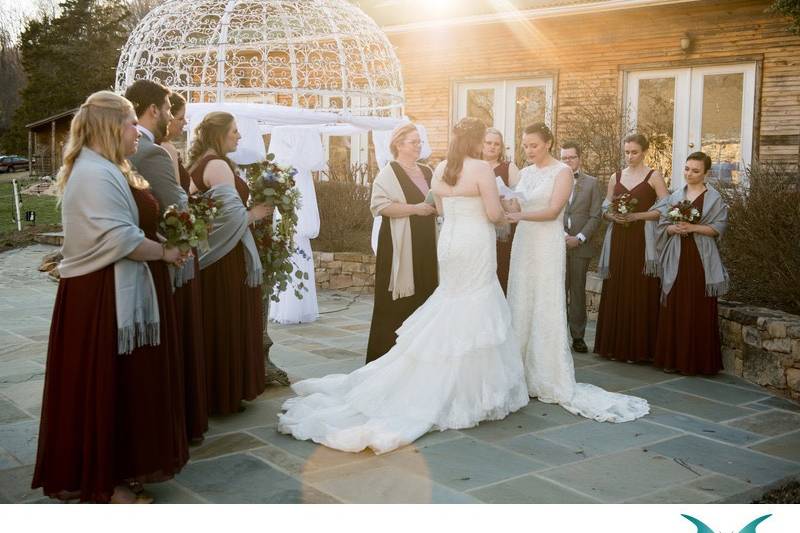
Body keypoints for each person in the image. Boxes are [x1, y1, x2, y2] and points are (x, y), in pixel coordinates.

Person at [278, 117, 529, 454]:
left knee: (452, 301)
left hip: (451, 244)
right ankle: (469, 388)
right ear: (476, 141)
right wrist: (511, 212)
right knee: (477, 303)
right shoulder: (481, 170)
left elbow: (439, 208)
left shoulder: (440, 170)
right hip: (474, 243)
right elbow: (493, 213)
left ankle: (444, 375)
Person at [32, 91, 189, 503]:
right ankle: (105, 479)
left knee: (128, 386)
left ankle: (119, 466)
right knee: (108, 385)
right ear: (110, 126)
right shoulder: (93, 173)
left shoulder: (110, 168)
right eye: (131, 123)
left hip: (117, 291)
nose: (138, 130)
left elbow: (133, 223)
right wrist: (166, 252)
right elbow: (120, 237)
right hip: (101, 297)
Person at [505, 123, 649, 423]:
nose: (528, 150)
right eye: (525, 145)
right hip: (524, 243)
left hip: (546, 242)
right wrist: (505, 199)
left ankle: (546, 372)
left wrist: (519, 215)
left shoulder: (562, 172)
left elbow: (553, 210)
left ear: (548, 143)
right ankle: (515, 369)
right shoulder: (526, 172)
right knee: (519, 300)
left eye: (533, 144)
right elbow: (518, 199)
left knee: (545, 302)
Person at [187, 112, 271, 415]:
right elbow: (229, 217)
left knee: (213, 320)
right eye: (234, 131)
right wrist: (255, 214)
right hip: (225, 260)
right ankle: (223, 392)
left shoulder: (201, 164)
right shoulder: (218, 165)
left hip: (215, 257)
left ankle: (213, 391)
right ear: (219, 135)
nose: (238, 136)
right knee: (226, 320)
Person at [140, 87, 209, 442]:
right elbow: (175, 200)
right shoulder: (151, 150)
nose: (173, 118)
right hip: (164, 252)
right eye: (171, 109)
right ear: (153, 109)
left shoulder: (150, 147)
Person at [365, 123, 438, 363]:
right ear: (399, 144)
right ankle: (387, 357)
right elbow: (380, 206)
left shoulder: (428, 171)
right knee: (397, 302)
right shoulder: (389, 172)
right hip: (399, 246)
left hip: (427, 241)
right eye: (413, 142)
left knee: (426, 295)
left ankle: (419, 358)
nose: (418, 146)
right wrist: (415, 209)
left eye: (419, 142)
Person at [594, 133, 669, 363]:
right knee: (617, 285)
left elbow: (666, 209)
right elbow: (604, 207)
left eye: (634, 152)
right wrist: (612, 216)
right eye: (626, 152)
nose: (629, 156)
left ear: (644, 151)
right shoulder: (615, 176)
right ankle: (614, 347)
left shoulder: (653, 176)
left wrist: (637, 215)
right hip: (618, 239)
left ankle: (640, 350)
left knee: (640, 287)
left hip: (642, 241)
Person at [653, 152, 729, 375]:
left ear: (706, 173)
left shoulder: (714, 198)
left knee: (698, 306)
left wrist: (693, 228)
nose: (690, 174)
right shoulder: (675, 195)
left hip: (700, 259)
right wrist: (673, 228)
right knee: (675, 304)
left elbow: (719, 227)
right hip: (677, 256)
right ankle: (673, 360)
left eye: (696, 171)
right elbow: (662, 225)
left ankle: (699, 362)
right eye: (687, 169)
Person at [560, 141, 603, 353]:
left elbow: (596, 215)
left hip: (580, 246)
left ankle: (578, 337)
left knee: (577, 292)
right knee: (557, 292)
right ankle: (557, 336)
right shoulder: (554, 180)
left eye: (572, 157)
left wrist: (580, 237)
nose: (568, 161)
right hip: (556, 244)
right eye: (564, 158)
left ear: (580, 158)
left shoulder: (592, 183)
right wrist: (562, 235)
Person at [482, 127, 520, 294]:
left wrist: (502, 196)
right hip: (478, 227)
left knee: (501, 271)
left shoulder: (509, 168)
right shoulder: (473, 167)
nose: (492, 146)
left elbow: (518, 205)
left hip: (502, 230)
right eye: (488, 142)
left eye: (497, 144)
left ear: (501, 147)